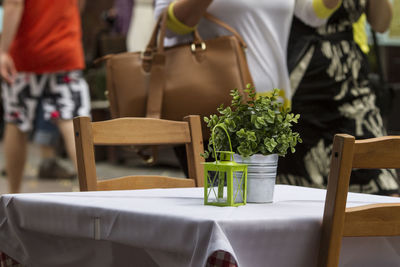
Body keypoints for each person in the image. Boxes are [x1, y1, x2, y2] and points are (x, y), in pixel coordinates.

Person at [153, 0, 341, 176]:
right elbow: (167, 26)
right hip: (214, 110)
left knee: (260, 205)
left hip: (271, 108)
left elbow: (314, 14)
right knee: (218, 205)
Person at [277, 0, 400, 195]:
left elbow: (381, 24)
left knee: (383, 186)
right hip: (304, 78)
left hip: (352, 80)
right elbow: (314, 15)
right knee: (306, 191)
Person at [0, 0, 91, 193]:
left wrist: (2, 51)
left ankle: (12, 199)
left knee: (16, 121)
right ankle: (93, 194)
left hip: (25, 54)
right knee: (72, 120)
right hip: (66, 48)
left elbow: (14, 4)